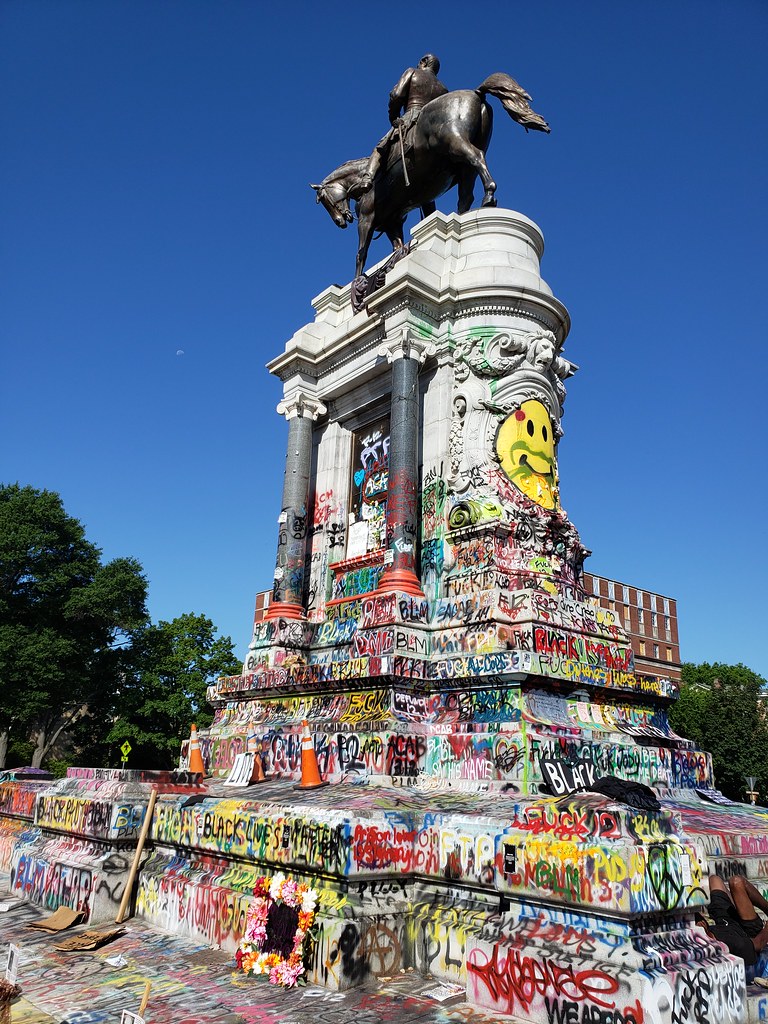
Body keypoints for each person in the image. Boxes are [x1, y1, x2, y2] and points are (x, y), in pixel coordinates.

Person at [359, 54, 448, 191]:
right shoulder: (443, 89)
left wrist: (394, 117)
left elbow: (396, 95)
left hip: (412, 115)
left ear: (423, 62)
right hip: (434, 124)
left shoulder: (412, 72)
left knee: (379, 148)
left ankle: (367, 178)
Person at [698, 873, 768, 969]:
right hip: (749, 932)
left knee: (714, 879)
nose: (699, 924)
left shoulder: (710, 930)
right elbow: (759, 943)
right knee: (736, 882)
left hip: (724, 921)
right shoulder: (733, 942)